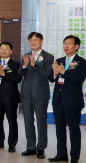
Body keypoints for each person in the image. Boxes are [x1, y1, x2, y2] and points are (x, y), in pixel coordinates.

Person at [48, 35, 86, 163]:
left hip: (73, 101)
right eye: (65, 43)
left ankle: (75, 157)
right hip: (58, 101)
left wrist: (64, 72)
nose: (66, 46)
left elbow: (78, 80)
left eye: (69, 43)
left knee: (74, 129)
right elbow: (51, 78)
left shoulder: (82, 62)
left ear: (76, 47)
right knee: (59, 129)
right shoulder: (59, 60)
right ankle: (61, 154)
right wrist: (54, 73)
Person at [19, 32, 54, 159]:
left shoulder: (48, 57)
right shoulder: (25, 55)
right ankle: (31, 147)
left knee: (41, 121)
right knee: (28, 120)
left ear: (41, 41)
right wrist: (24, 65)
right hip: (26, 93)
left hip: (40, 93)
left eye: (35, 40)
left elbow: (46, 74)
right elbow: (20, 73)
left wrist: (34, 64)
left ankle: (41, 148)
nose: (33, 43)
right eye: (30, 40)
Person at [0, 42, 22, 153]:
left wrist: (5, 74)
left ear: (11, 51)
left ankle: (12, 144)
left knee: (12, 121)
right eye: (2, 49)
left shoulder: (16, 64)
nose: (3, 51)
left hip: (11, 97)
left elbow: (18, 79)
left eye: (6, 49)